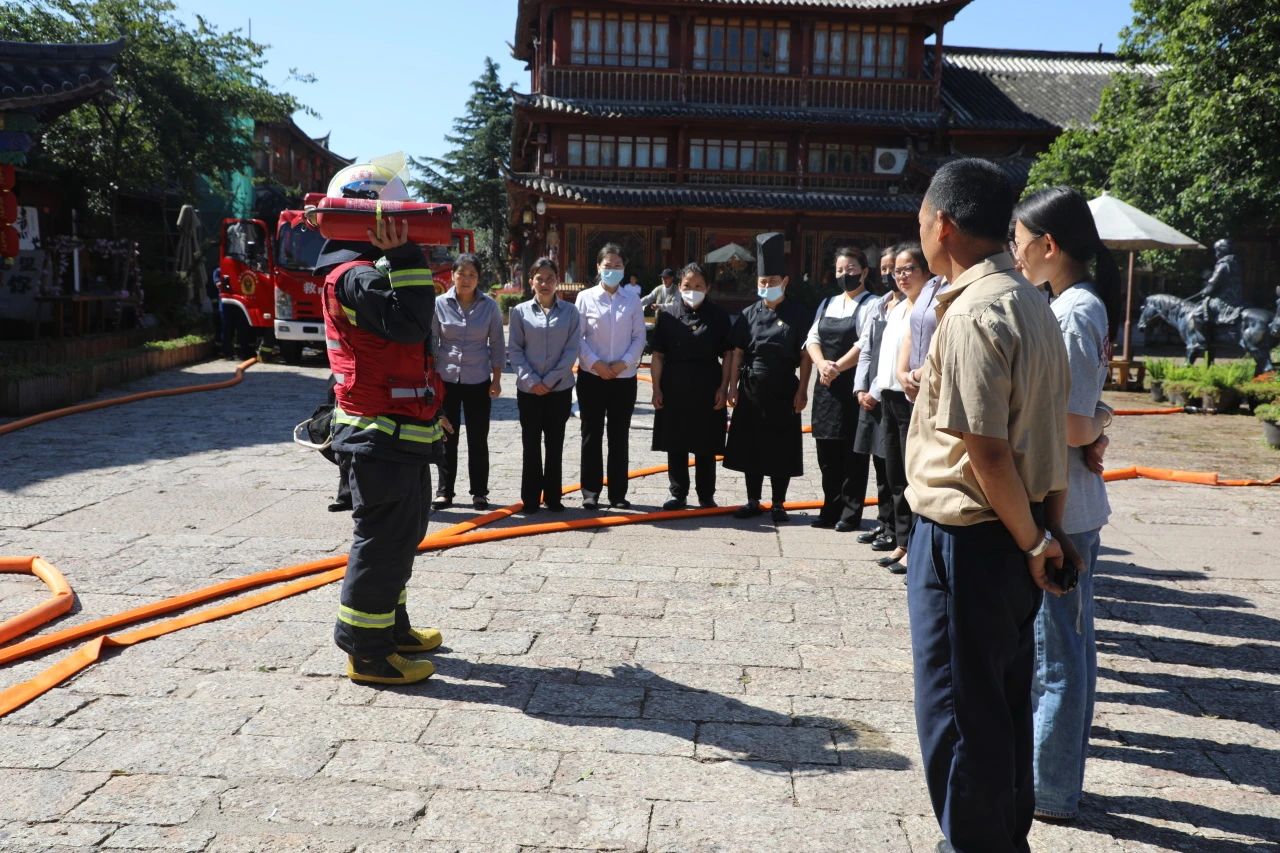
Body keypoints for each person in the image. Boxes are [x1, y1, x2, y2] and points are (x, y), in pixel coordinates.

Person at [905, 158, 1072, 853]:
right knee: (1002, 700)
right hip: (1017, 527)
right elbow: (1051, 433)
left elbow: (989, 452)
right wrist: (1046, 531)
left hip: (970, 536)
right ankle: (1005, 837)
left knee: (959, 712)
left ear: (943, 224)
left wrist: (1036, 542)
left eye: (921, 217)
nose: (919, 229)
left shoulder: (974, 312)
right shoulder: (1031, 300)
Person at [1011, 186, 1121, 823]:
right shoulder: (1074, 304)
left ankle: (1051, 788)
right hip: (1070, 500)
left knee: (1058, 656)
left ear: (1049, 245)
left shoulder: (1076, 311)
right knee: (1067, 647)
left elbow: (1073, 422)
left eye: (1021, 241)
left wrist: (1098, 421)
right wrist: (1100, 419)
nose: (1016, 253)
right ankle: (1054, 777)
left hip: (1067, 508)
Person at [316, 161, 448, 686]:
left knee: (401, 535)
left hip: (398, 433)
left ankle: (391, 628)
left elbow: (409, 349)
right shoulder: (356, 277)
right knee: (382, 540)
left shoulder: (369, 271)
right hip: (378, 437)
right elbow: (411, 322)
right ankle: (366, 652)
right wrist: (408, 255)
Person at [724, 232, 812, 524]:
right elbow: (737, 352)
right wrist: (732, 387)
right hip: (751, 387)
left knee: (780, 446)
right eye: (763, 282)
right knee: (752, 445)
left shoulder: (798, 314)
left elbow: (806, 356)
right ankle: (752, 500)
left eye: (772, 281)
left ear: (784, 281)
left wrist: (802, 390)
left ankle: (778, 503)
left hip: (784, 386)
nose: (767, 286)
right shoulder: (749, 313)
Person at [650, 262, 734, 510]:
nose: (693, 290)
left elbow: (728, 354)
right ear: (679, 286)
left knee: (705, 442)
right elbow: (658, 355)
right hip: (674, 384)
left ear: (707, 287)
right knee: (675, 441)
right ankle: (678, 493)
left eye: (699, 285)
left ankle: (706, 495)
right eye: (687, 285)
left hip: (707, 384)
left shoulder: (718, 316)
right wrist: (656, 388)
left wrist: (724, 387)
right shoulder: (667, 315)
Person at [805, 247, 877, 531]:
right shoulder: (827, 303)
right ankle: (829, 508)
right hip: (825, 387)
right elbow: (812, 338)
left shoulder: (873, 303)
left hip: (852, 385)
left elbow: (865, 343)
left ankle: (850, 512)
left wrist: (837, 367)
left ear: (864, 272)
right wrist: (822, 364)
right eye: (839, 270)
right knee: (827, 452)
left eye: (850, 269)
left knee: (852, 453)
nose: (844, 275)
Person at [869, 243, 931, 574]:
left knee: (912, 474)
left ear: (926, 271)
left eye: (909, 269)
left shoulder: (929, 307)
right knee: (894, 473)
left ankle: (915, 547)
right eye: (898, 271)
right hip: (890, 398)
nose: (902, 276)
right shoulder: (895, 308)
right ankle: (902, 539)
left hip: (913, 399)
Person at [431, 253, 505, 510]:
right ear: (452, 275)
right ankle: (444, 491)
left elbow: (497, 344)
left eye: (472, 274)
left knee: (478, 437)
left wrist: (497, 379)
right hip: (446, 379)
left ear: (478, 278)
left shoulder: (489, 306)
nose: (466, 279)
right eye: (461, 273)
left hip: (478, 379)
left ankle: (479, 492)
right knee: (446, 435)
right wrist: (430, 379)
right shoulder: (439, 303)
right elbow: (432, 342)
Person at [575, 243, 646, 509]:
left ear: (624, 269)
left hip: (623, 378)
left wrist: (623, 364)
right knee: (591, 434)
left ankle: (618, 493)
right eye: (608, 266)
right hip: (592, 376)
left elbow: (639, 337)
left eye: (618, 266)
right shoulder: (585, 297)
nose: (613, 270)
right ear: (598, 267)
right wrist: (596, 364)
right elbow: (578, 337)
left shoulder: (632, 299)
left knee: (619, 435)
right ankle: (590, 491)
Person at [508, 256, 580, 514]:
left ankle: (553, 496)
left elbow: (571, 351)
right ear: (531, 282)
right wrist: (531, 380)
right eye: (540, 278)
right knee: (530, 444)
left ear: (557, 281)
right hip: (528, 391)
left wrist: (548, 381)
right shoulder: (520, 312)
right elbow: (515, 350)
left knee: (555, 444)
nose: (545, 283)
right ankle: (530, 498)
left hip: (559, 390)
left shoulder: (570, 312)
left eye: (550, 278)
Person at [854, 246, 901, 546]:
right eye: (884, 269)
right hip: (869, 394)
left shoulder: (911, 306)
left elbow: (895, 359)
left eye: (893, 268)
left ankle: (897, 529)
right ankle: (883, 522)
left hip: (890, 393)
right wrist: (859, 387)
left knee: (894, 467)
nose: (889, 275)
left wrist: (874, 391)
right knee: (878, 464)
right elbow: (867, 348)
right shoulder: (879, 305)